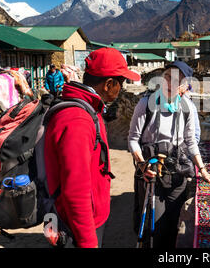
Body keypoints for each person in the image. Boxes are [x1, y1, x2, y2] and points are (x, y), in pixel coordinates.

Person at [44, 47, 140, 248]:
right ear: (108, 84)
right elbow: (75, 190)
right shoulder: (77, 119)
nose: (121, 88)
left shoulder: (87, 109)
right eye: (121, 82)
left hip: (76, 220)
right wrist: (88, 242)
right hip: (75, 226)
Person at [128, 61, 210, 248]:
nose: (170, 83)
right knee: (155, 227)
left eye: (177, 80)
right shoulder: (145, 104)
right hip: (152, 174)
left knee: (174, 224)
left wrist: (203, 170)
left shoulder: (187, 107)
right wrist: (142, 164)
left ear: (185, 86)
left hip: (177, 174)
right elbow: (133, 139)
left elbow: (191, 142)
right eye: (167, 77)